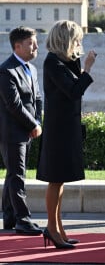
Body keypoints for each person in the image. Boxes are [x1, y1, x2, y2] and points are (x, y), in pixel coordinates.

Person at [36, 20, 97, 249]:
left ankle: (58, 228)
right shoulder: (52, 62)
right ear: (66, 39)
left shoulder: (65, 61)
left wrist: (80, 63)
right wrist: (88, 68)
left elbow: (73, 88)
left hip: (66, 128)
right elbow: (74, 91)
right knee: (55, 180)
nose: (80, 42)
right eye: (77, 39)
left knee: (59, 180)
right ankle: (52, 228)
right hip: (58, 130)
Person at [0, 26, 43, 235]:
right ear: (17, 46)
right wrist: (33, 125)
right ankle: (23, 220)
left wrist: (38, 121)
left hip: (26, 131)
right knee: (18, 175)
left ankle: (9, 217)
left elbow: (37, 99)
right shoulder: (6, 70)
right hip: (12, 132)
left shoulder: (31, 69)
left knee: (12, 174)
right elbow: (14, 105)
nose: (36, 46)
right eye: (31, 43)